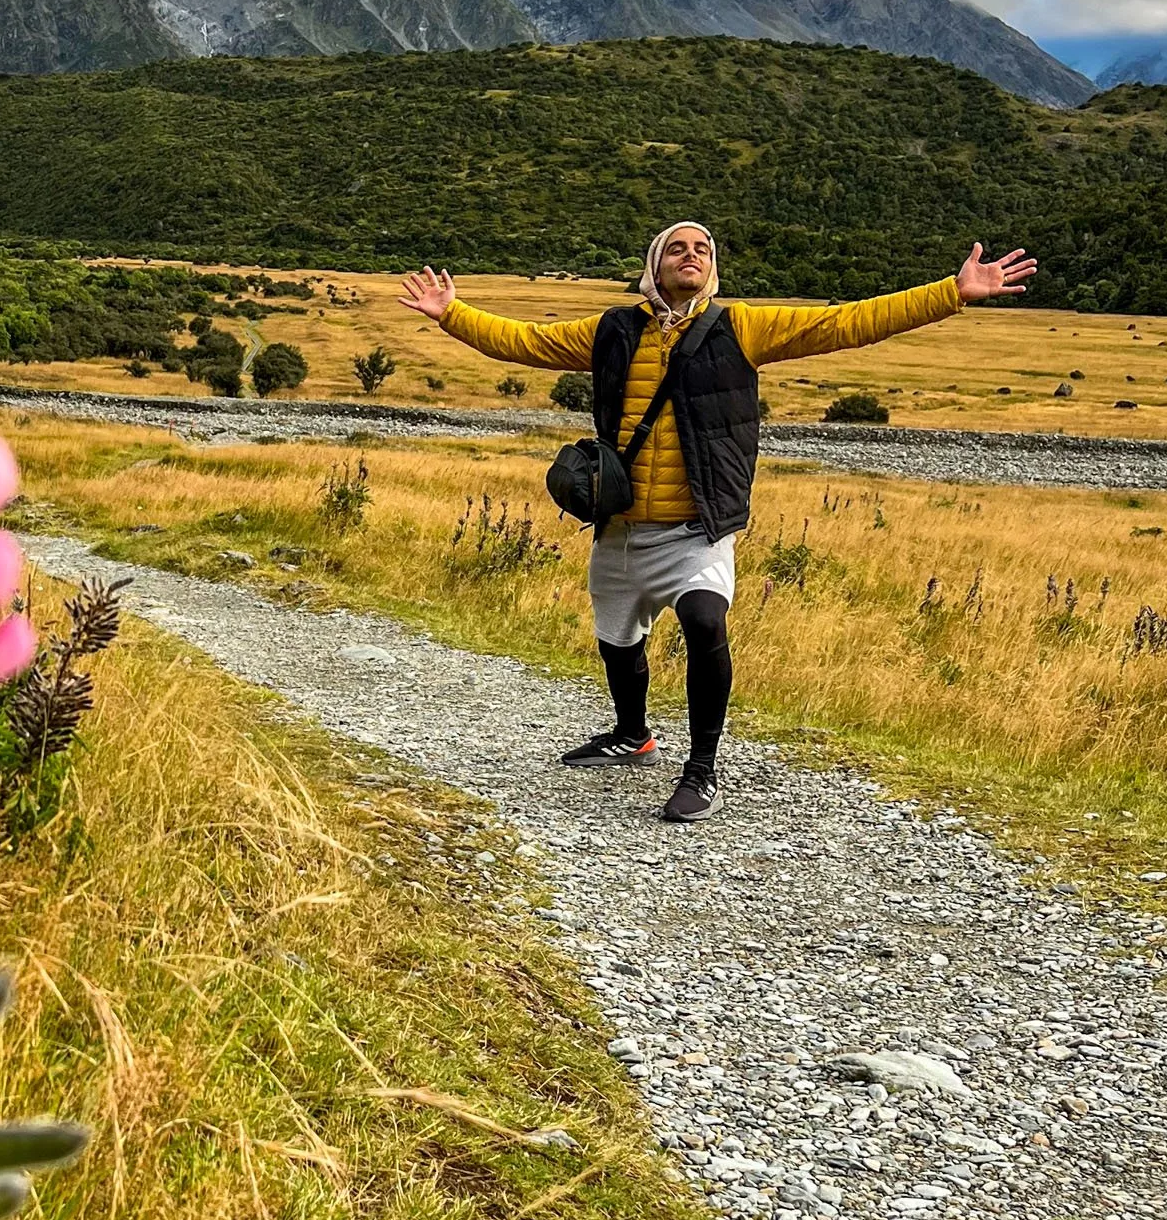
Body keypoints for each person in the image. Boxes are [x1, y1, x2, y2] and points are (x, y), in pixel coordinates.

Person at [400, 222, 1034, 822]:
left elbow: (848, 322)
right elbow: (526, 342)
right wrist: (452, 314)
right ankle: (632, 735)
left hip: (696, 528)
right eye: (676, 247)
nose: (691, 254)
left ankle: (700, 769)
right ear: (655, 265)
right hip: (621, 527)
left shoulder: (743, 328)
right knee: (618, 638)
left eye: (702, 247)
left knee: (705, 618)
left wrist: (953, 293)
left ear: (713, 267)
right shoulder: (614, 330)